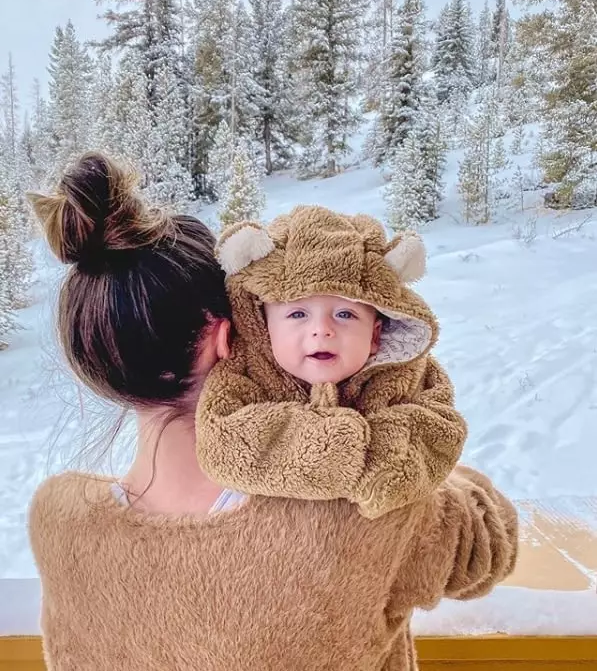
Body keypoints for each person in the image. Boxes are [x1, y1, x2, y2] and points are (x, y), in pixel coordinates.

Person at [28, 152, 518, 671]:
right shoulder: (364, 511)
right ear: (228, 334)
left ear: (97, 365)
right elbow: (487, 546)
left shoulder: (57, 521)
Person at [196, 205, 468, 518]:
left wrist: (380, 463)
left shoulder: (407, 372)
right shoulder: (247, 371)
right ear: (264, 326)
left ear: (375, 334)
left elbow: (440, 434)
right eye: (298, 314)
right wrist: (339, 449)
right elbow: (223, 444)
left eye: (344, 314)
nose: (322, 330)